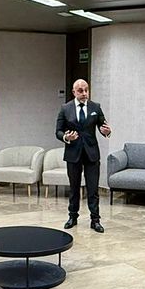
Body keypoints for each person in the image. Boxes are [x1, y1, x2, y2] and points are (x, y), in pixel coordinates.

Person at [55, 78, 111, 233]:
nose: (84, 93)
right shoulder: (65, 108)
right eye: (80, 91)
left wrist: (107, 132)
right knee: (74, 188)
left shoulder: (95, 107)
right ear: (74, 92)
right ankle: (72, 217)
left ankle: (95, 220)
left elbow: (103, 126)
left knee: (93, 189)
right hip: (73, 154)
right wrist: (66, 137)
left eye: (86, 90)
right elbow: (58, 131)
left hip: (92, 154)